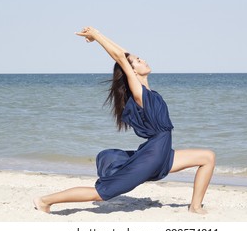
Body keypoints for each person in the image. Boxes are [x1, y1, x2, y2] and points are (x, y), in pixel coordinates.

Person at [33, 27, 215, 214]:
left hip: (162, 153)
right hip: (153, 157)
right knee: (101, 193)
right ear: (132, 72)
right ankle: (45, 200)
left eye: (139, 58)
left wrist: (105, 42)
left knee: (207, 157)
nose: (142, 60)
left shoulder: (149, 93)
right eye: (137, 61)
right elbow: (121, 57)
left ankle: (195, 206)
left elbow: (124, 55)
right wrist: (96, 35)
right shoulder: (139, 94)